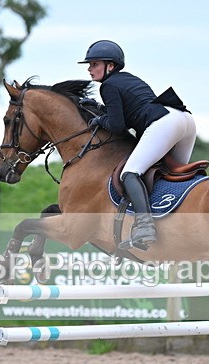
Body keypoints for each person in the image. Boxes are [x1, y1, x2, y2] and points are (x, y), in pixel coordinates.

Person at [79, 40, 196, 251]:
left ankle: (144, 226)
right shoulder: (127, 79)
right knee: (175, 176)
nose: (89, 69)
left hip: (164, 124)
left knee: (130, 173)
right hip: (184, 120)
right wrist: (100, 108)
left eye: (94, 64)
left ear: (110, 66)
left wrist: (98, 120)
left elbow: (117, 125)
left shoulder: (108, 86)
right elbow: (128, 110)